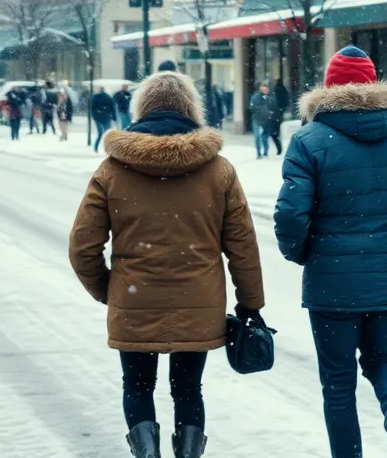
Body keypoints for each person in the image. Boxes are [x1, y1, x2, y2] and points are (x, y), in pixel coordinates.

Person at [70, 71, 265, 458]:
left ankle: (147, 453)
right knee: (189, 388)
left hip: (134, 297)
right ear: (192, 107)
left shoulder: (112, 170)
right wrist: (250, 304)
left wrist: (108, 289)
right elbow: (242, 245)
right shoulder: (219, 170)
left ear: (140, 108)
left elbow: (82, 247)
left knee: (137, 385)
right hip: (200, 301)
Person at [275, 46, 387, 458]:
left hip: (332, 283)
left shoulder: (309, 139)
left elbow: (290, 215)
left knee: (338, 382)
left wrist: (304, 252)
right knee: (386, 358)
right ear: (374, 83)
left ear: (329, 86)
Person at [248, 81, 277, 159]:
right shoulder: (255, 97)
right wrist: (261, 111)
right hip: (257, 119)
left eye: (266, 88)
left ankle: (266, 151)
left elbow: (274, 108)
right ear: (260, 88)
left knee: (265, 136)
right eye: (263, 88)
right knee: (257, 136)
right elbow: (252, 108)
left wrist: (271, 115)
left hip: (267, 120)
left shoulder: (271, 97)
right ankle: (258, 153)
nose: (265, 90)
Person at [91, 87, 117, 152]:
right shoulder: (108, 98)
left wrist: (94, 116)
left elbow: (92, 108)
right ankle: (109, 148)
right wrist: (114, 118)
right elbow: (112, 109)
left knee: (100, 133)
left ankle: (96, 147)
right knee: (107, 133)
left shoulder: (95, 97)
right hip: (107, 117)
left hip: (98, 117)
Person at [270, 78, 291, 154]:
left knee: (274, 133)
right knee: (276, 132)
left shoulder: (274, 90)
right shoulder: (283, 90)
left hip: (275, 114)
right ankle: (279, 148)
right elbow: (286, 100)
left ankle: (279, 149)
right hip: (279, 113)